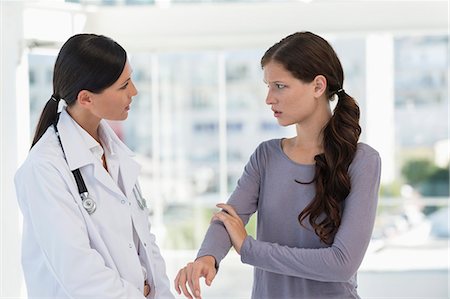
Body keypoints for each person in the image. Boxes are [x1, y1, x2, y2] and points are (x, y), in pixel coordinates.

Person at [174, 31, 381, 299]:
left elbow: (342, 264)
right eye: (268, 86)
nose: (269, 98)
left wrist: (249, 248)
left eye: (280, 86)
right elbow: (229, 218)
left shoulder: (363, 161)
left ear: (318, 86)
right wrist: (207, 258)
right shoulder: (266, 156)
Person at [15, 33, 174, 299]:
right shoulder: (45, 168)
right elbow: (80, 274)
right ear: (87, 98)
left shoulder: (116, 154)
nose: (134, 91)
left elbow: (145, 243)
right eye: (124, 86)